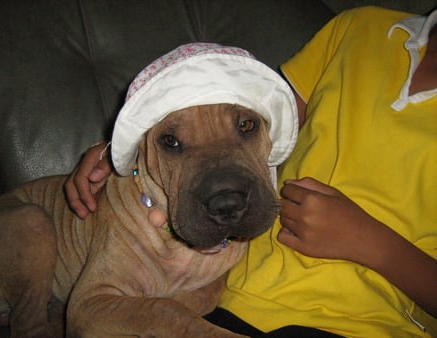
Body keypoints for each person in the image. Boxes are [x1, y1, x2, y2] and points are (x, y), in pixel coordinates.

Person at [65, 6, 437, 338]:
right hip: (221, 297)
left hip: (359, 323)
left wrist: (370, 242)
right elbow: (247, 115)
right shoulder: (359, 27)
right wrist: (124, 151)